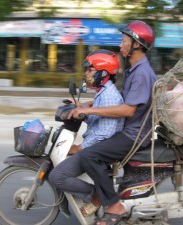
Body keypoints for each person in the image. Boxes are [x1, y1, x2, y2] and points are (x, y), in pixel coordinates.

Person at [67, 20, 157, 225]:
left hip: (133, 134)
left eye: (124, 40)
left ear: (135, 44)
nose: (120, 45)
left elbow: (128, 109)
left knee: (90, 154)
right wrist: (87, 104)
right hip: (130, 129)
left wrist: (90, 110)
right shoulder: (134, 69)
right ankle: (101, 194)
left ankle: (114, 204)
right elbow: (122, 99)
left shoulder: (142, 73)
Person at [48, 49, 125, 217]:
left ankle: (96, 194)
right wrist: (81, 109)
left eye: (90, 69)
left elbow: (106, 132)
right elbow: (98, 122)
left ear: (103, 72)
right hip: (95, 145)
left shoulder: (110, 96)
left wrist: (80, 147)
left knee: (57, 176)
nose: (86, 73)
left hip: (97, 149)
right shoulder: (103, 92)